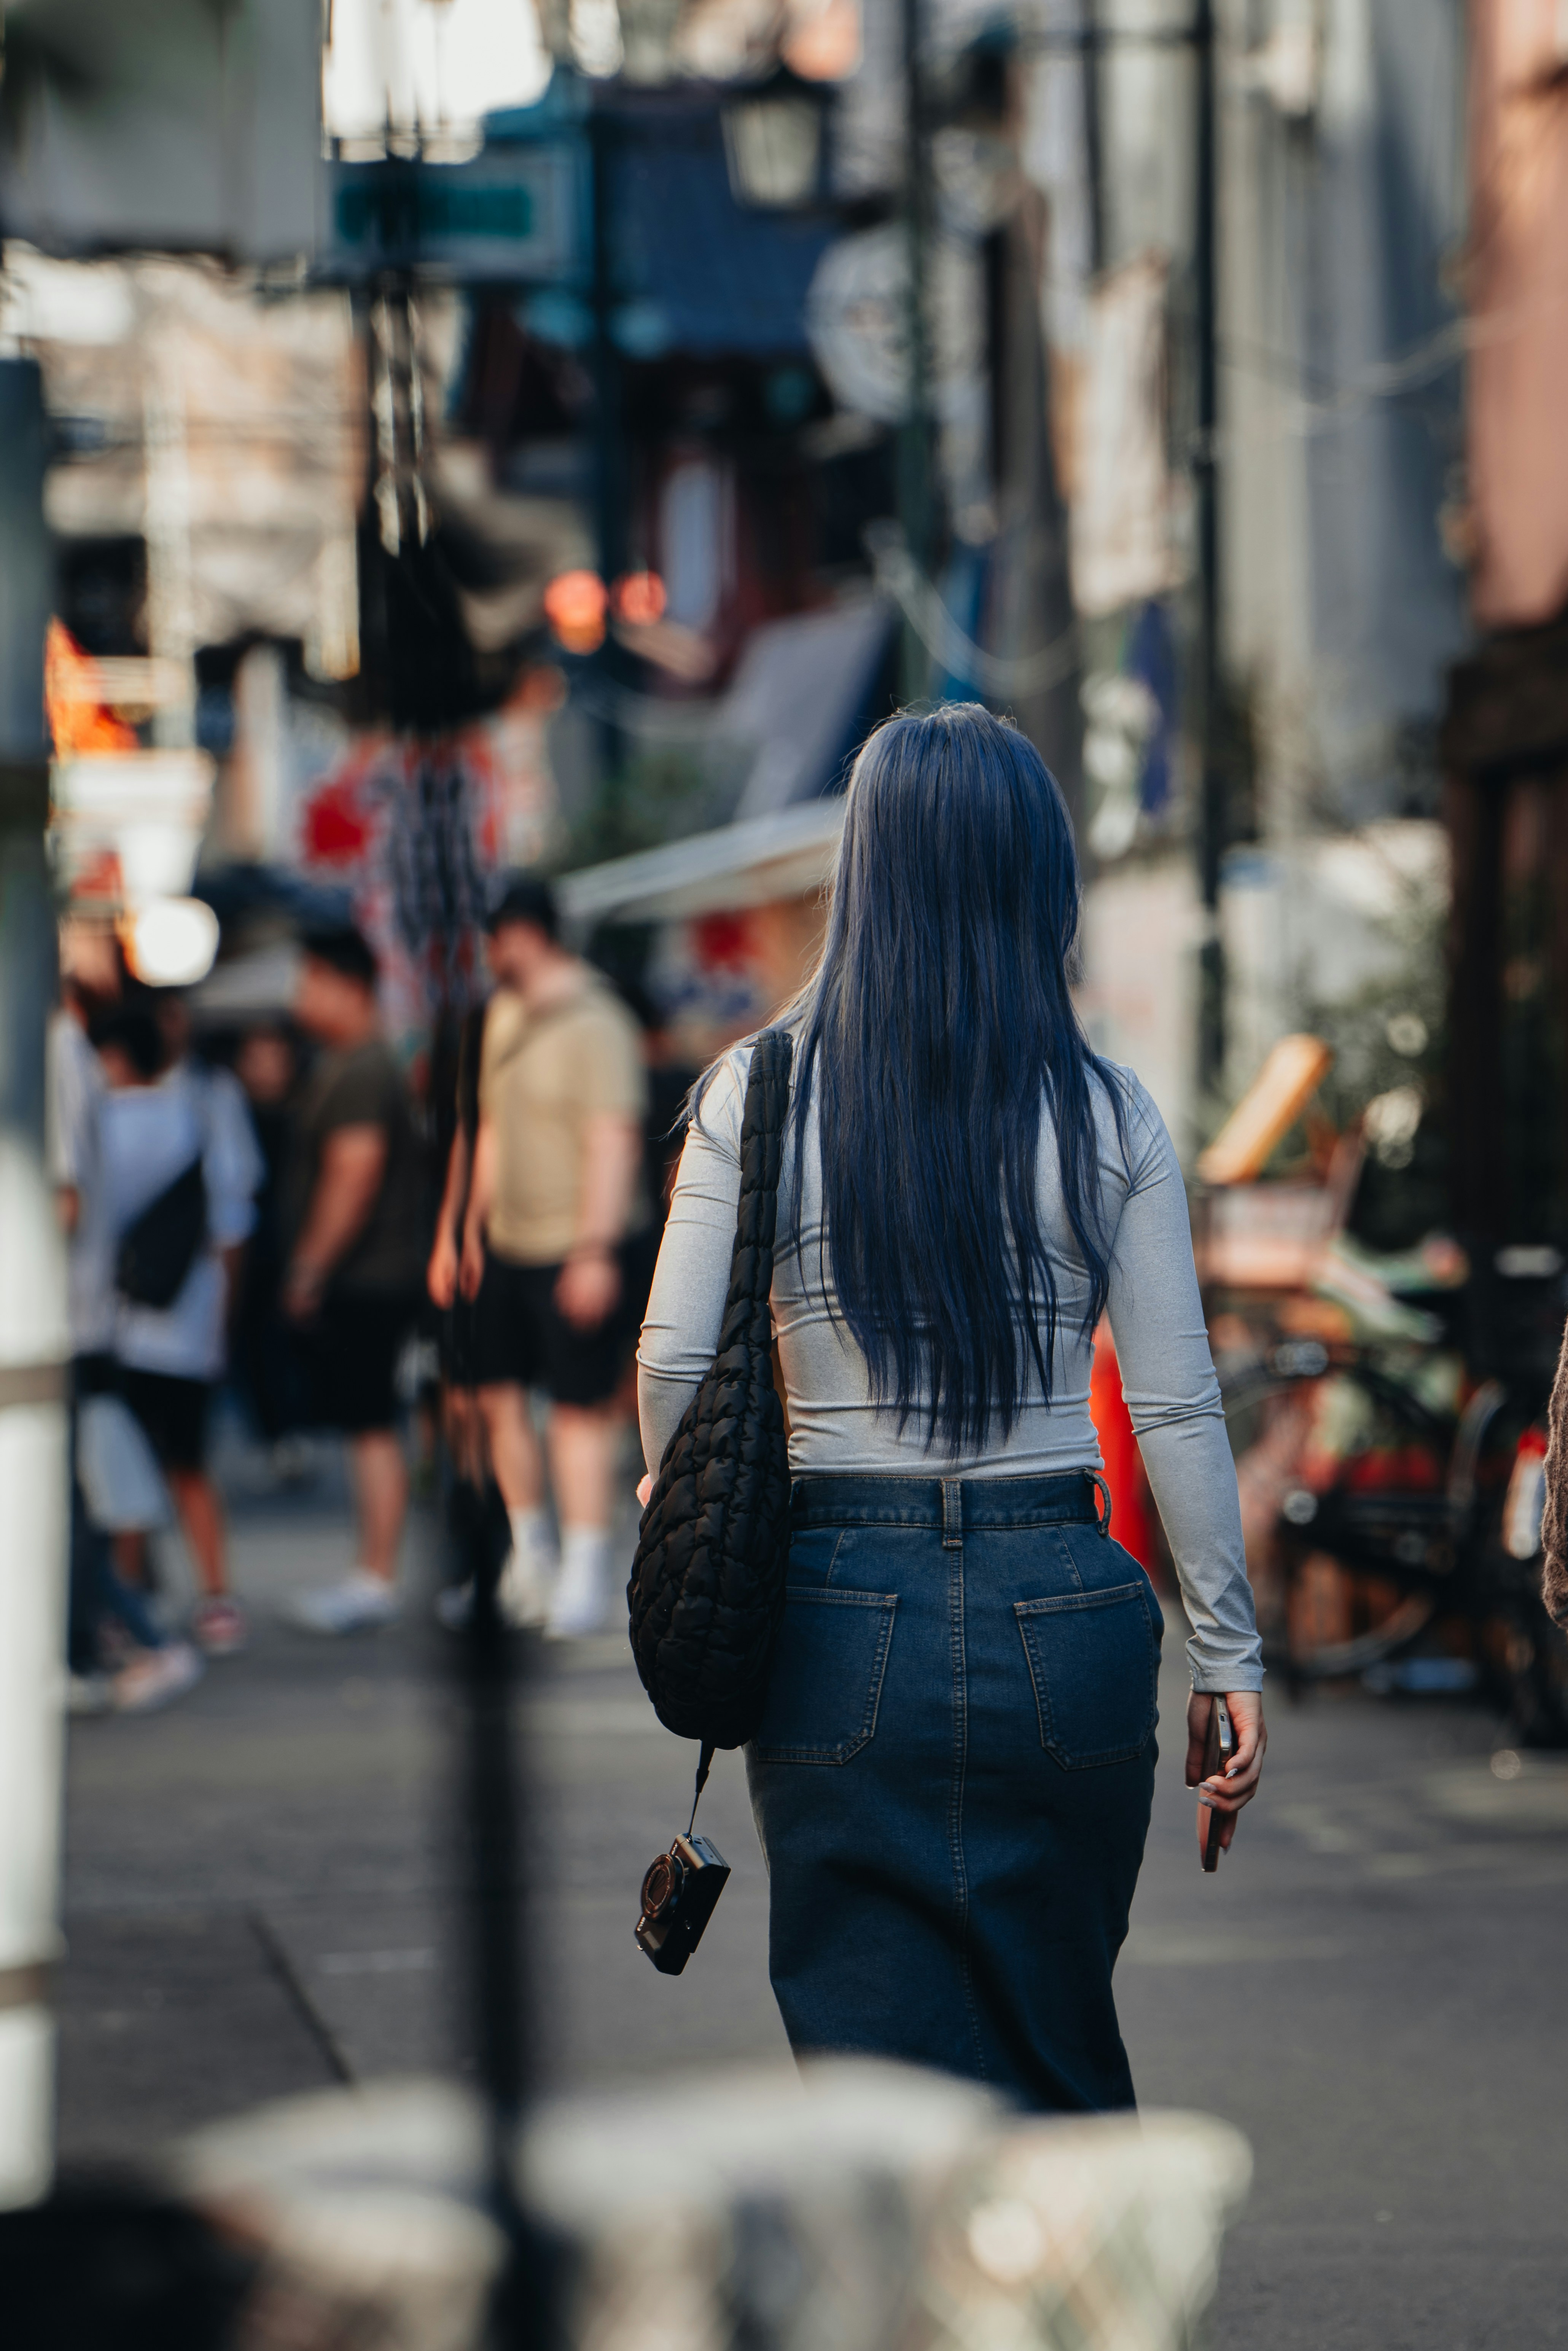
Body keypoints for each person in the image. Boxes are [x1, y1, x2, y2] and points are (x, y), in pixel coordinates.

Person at [637, 704, 1266, 2113]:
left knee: (873, 2100)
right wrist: (1228, 1652)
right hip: (1071, 1608)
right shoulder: (1108, 1112)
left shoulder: (763, 1093)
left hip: (831, 1612)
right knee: (1058, 2047)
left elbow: (672, 1364)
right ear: (1041, 884)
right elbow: (1171, 1402)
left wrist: (672, 1500)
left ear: (860, 878)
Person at [460, 875, 653, 1638]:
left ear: (524, 934)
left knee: (577, 1410)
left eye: (494, 936)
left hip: (575, 1245)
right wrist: (467, 1235)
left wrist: (594, 1250)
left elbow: (614, 1139)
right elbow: (490, 1132)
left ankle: (584, 1561)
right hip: (505, 1244)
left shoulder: (597, 1020)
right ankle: (528, 1549)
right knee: (498, 1399)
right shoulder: (500, 1015)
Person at [49, 962, 205, 1712]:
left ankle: (130, 1638)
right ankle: (130, 1634)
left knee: (71, 1498)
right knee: (83, 1491)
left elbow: (64, 1201)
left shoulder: (51, 1054)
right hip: (82, 1322)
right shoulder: (69, 1054)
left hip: (62, 1327)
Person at [94, 996, 263, 1660]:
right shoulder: (198, 1110)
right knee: (190, 1464)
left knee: (119, 1473)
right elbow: (232, 1221)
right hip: (188, 1323)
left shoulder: (98, 1120)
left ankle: (128, 1601)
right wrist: (222, 1321)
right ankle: (216, 1595)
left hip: (116, 1323)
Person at [283, 924, 427, 1633]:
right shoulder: (354, 1061)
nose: (298, 997)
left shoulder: (365, 1066)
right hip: (376, 1272)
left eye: (307, 980)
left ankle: (376, 1573)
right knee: (367, 1423)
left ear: (345, 983)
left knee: (371, 1425)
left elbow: (353, 1173)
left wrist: (309, 1266)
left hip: (370, 1275)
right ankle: (372, 1570)